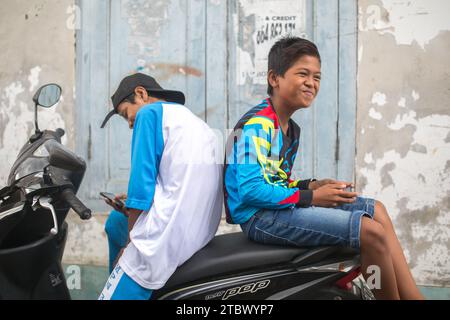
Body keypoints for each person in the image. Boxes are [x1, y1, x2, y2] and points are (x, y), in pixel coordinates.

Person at [223, 37, 424, 300]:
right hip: (259, 218)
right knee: (371, 232)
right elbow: (250, 191)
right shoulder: (259, 125)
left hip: (274, 208)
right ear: (275, 78)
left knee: (377, 210)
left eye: (317, 77)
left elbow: (274, 181)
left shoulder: (289, 128)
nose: (311, 83)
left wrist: (309, 186)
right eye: (303, 74)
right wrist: (310, 197)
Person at [98, 73, 223, 300]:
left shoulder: (149, 114)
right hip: (199, 233)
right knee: (116, 222)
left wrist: (130, 247)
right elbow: (182, 182)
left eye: (126, 114)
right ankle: (116, 279)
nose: (128, 124)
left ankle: (121, 280)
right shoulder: (197, 124)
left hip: (162, 238)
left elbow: (140, 189)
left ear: (141, 94)